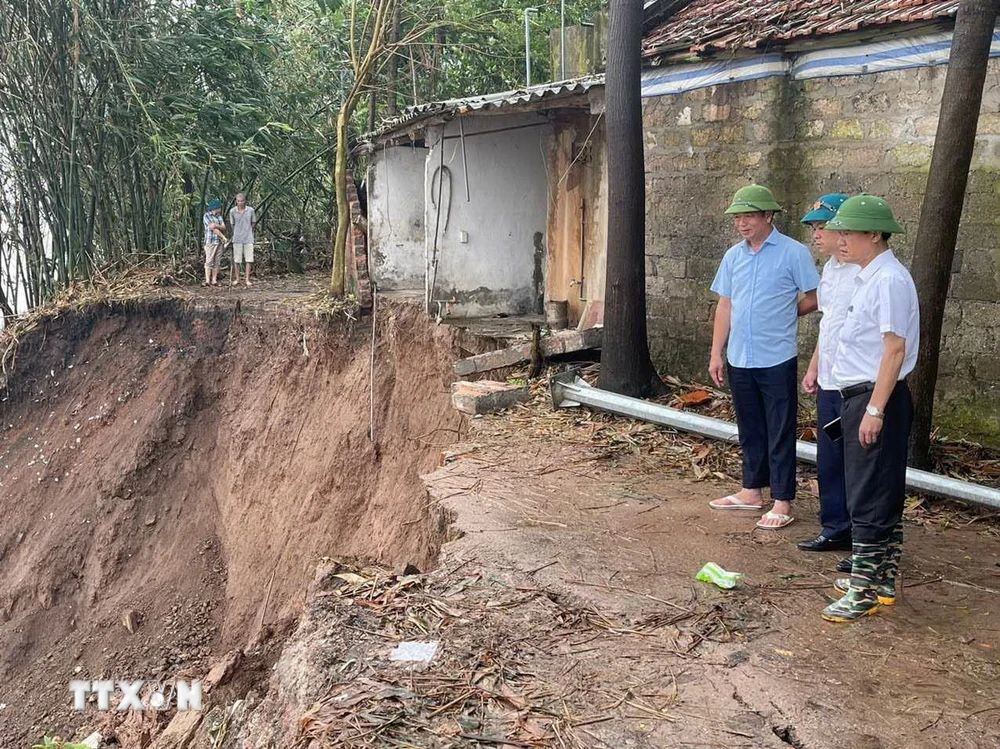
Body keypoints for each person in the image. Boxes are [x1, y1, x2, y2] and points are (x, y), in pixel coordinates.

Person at [821, 195, 918, 623]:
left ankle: (862, 589)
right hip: (862, 395)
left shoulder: (889, 280)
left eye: (849, 233)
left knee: (868, 495)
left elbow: (894, 350)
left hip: (877, 397)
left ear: (875, 235)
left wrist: (875, 410)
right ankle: (882, 579)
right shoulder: (867, 276)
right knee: (879, 490)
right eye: (839, 232)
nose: (840, 240)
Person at [708, 184, 820, 530]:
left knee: (780, 429)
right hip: (741, 356)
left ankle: (782, 500)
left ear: (768, 216)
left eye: (749, 216)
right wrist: (716, 353)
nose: (742, 224)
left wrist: (788, 313)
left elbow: (816, 296)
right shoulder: (733, 257)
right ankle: (750, 490)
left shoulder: (793, 253)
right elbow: (725, 304)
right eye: (738, 217)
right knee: (750, 427)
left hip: (777, 357)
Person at [797, 193, 856, 554]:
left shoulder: (863, 270)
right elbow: (828, 322)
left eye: (822, 227)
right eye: (814, 228)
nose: (816, 234)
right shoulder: (832, 268)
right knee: (829, 457)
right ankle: (834, 526)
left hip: (856, 383)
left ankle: (862, 535)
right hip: (831, 380)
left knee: (857, 462)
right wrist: (816, 365)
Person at [229, 193, 257, 287]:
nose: (240, 203)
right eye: (238, 201)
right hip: (237, 238)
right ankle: (237, 279)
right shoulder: (232, 211)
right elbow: (232, 224)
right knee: (237, 260)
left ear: (245, 201)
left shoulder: (250, 210)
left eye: (242, 201)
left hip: (248, 238)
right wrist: (237, 232)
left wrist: (248, 231)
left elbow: (253, 222)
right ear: (236, 201)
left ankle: (247, 279)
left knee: (249, 259)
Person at [203, 199, 227, 287]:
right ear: (216, 208)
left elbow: (223, 227)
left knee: (217, 261)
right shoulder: (206, 216)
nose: (221, 209)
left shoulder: (219, 216)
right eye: (219, 207)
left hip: (219, 242)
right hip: (211, 241)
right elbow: (213, 229)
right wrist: (223, 237)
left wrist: (216, 225)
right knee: (209, 261)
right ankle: (207, 281)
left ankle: (214, 280)